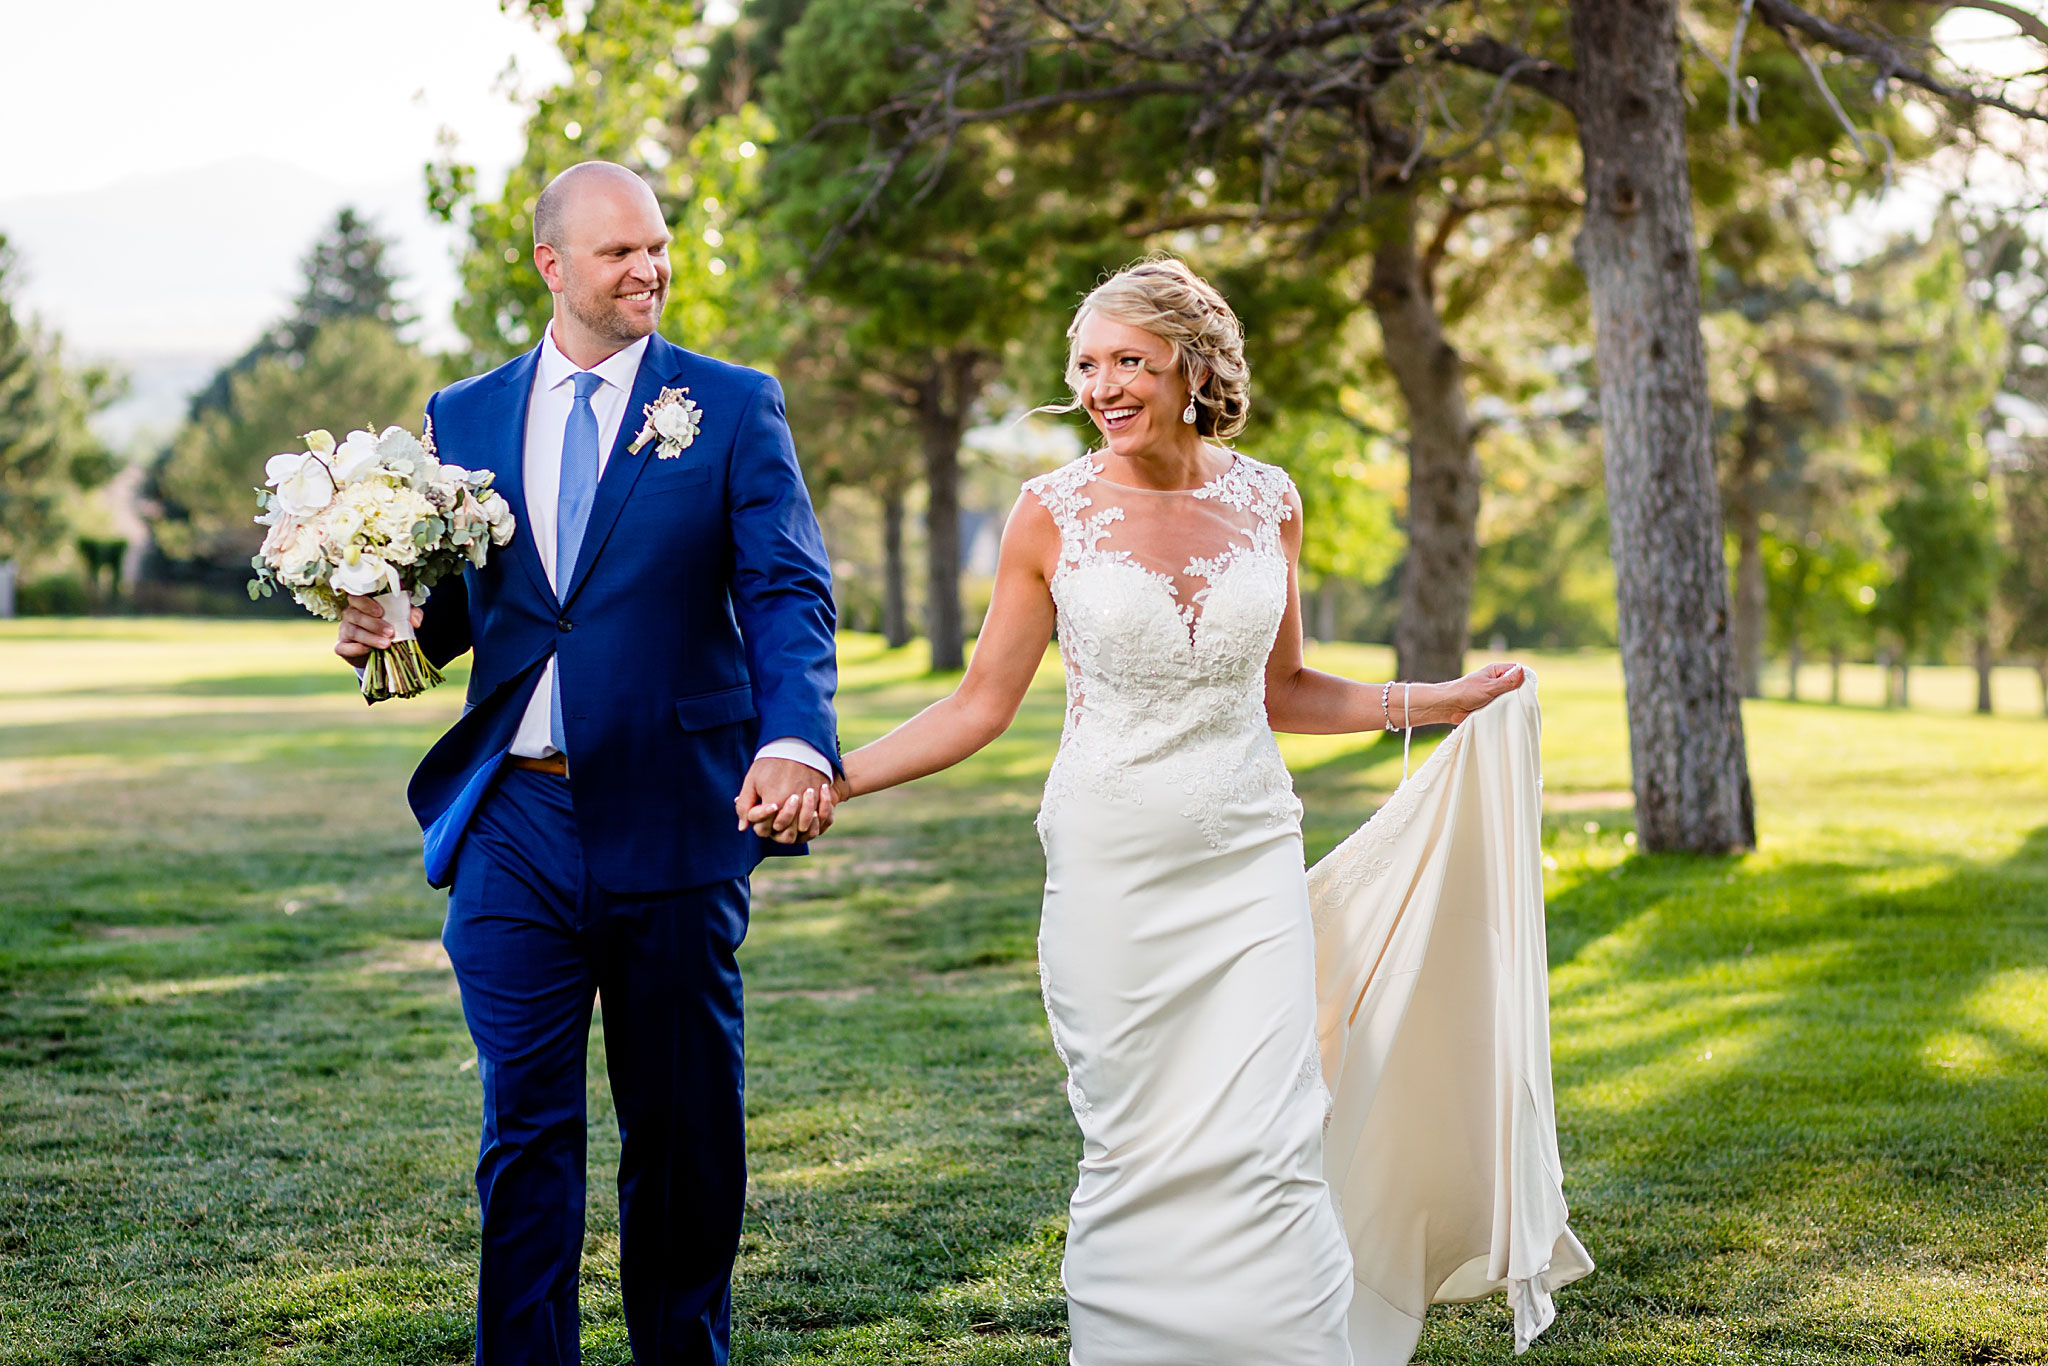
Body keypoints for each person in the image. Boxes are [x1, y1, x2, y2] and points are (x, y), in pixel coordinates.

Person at [752, 257, 1585, 1363]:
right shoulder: (1048, 514)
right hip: (1111, 881)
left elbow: (1283, 689)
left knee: (1275, 1137)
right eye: (1086, 364)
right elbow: (978, 703)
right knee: (1134, 1146)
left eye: (1128, 361)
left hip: (1246, 864)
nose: (1102, 386)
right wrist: (836, 775)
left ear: (1192, 368)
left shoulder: (1267, 498)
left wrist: (1439, 698)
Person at [335, 161, 840, 1366]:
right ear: (551, 265)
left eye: (658, 246)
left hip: (674, 814)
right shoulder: (463, 415)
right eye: (619, 252)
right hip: (513, 814)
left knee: (679, 1132)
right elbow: (470, 612)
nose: (648, 269)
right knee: (525, 1127)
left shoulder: (729, 403)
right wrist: (383, 621)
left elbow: (784, 588)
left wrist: (791, 736)